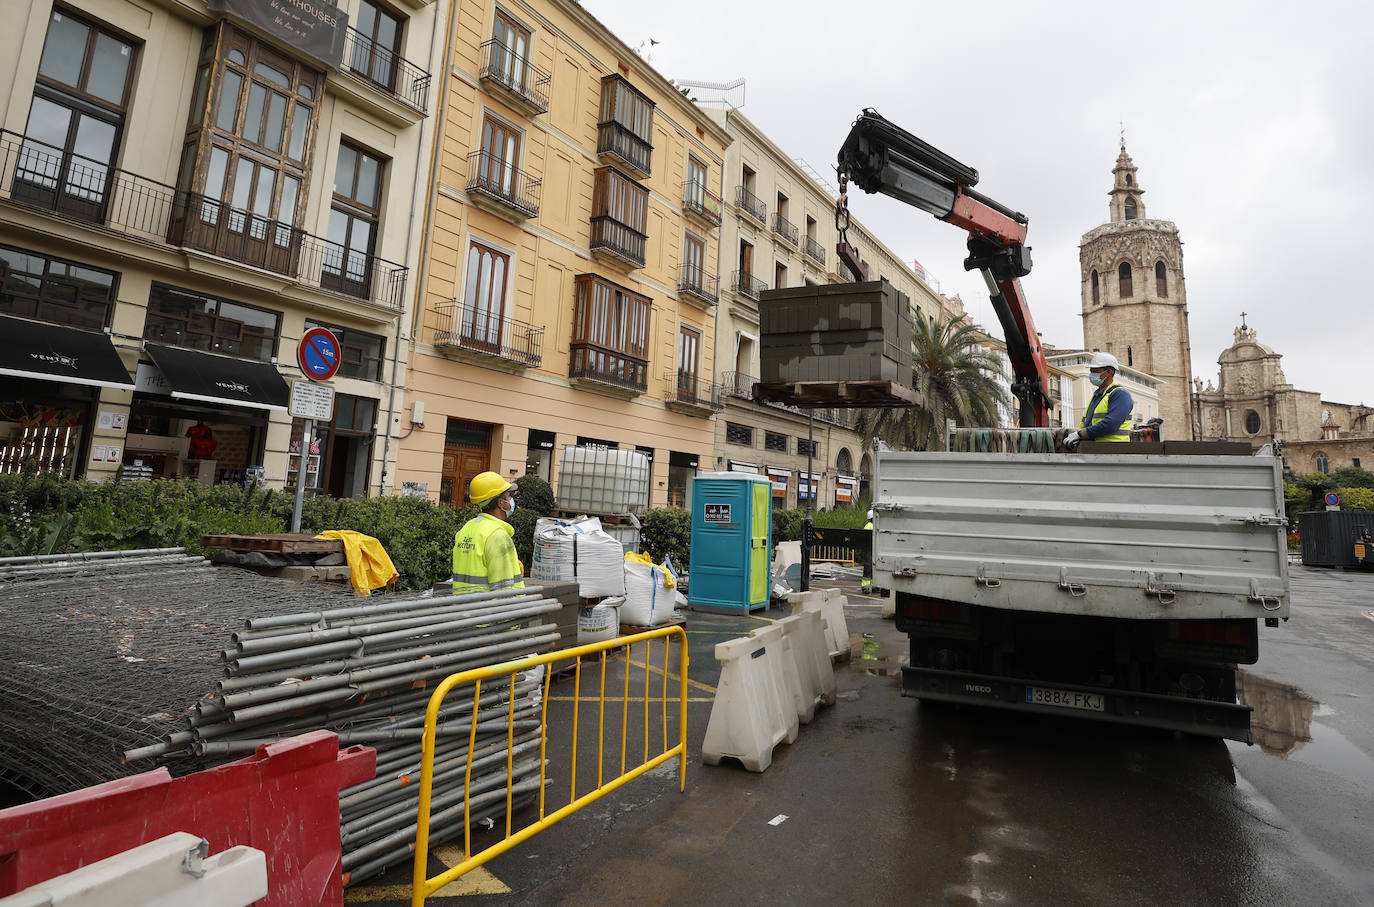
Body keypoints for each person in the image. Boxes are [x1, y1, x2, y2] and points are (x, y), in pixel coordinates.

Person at [451, 472, 525, 594]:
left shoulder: (467, 528)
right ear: (500, 503)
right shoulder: (497, 535)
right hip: (488, 610)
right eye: (508, 496)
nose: (511, 500)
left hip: (463, 608)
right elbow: (503, 592)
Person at [1064, 352, 1134, 450]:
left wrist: (1080, 434)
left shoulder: (1120, 394)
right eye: (1091, 371)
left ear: (1109, 372)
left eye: (1095, 371)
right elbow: (1089, 424)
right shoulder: (1098, 395)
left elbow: (1111, 424)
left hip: (1114, 450)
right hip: (1096, 449)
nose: (1091, 375)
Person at [861, 509, 875, 594]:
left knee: (872, 568)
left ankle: (873, 585)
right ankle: (865, 587)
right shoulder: (869, 526)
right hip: (869, 550)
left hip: (870, 550)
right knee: (868, 568)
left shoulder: (870, 525)